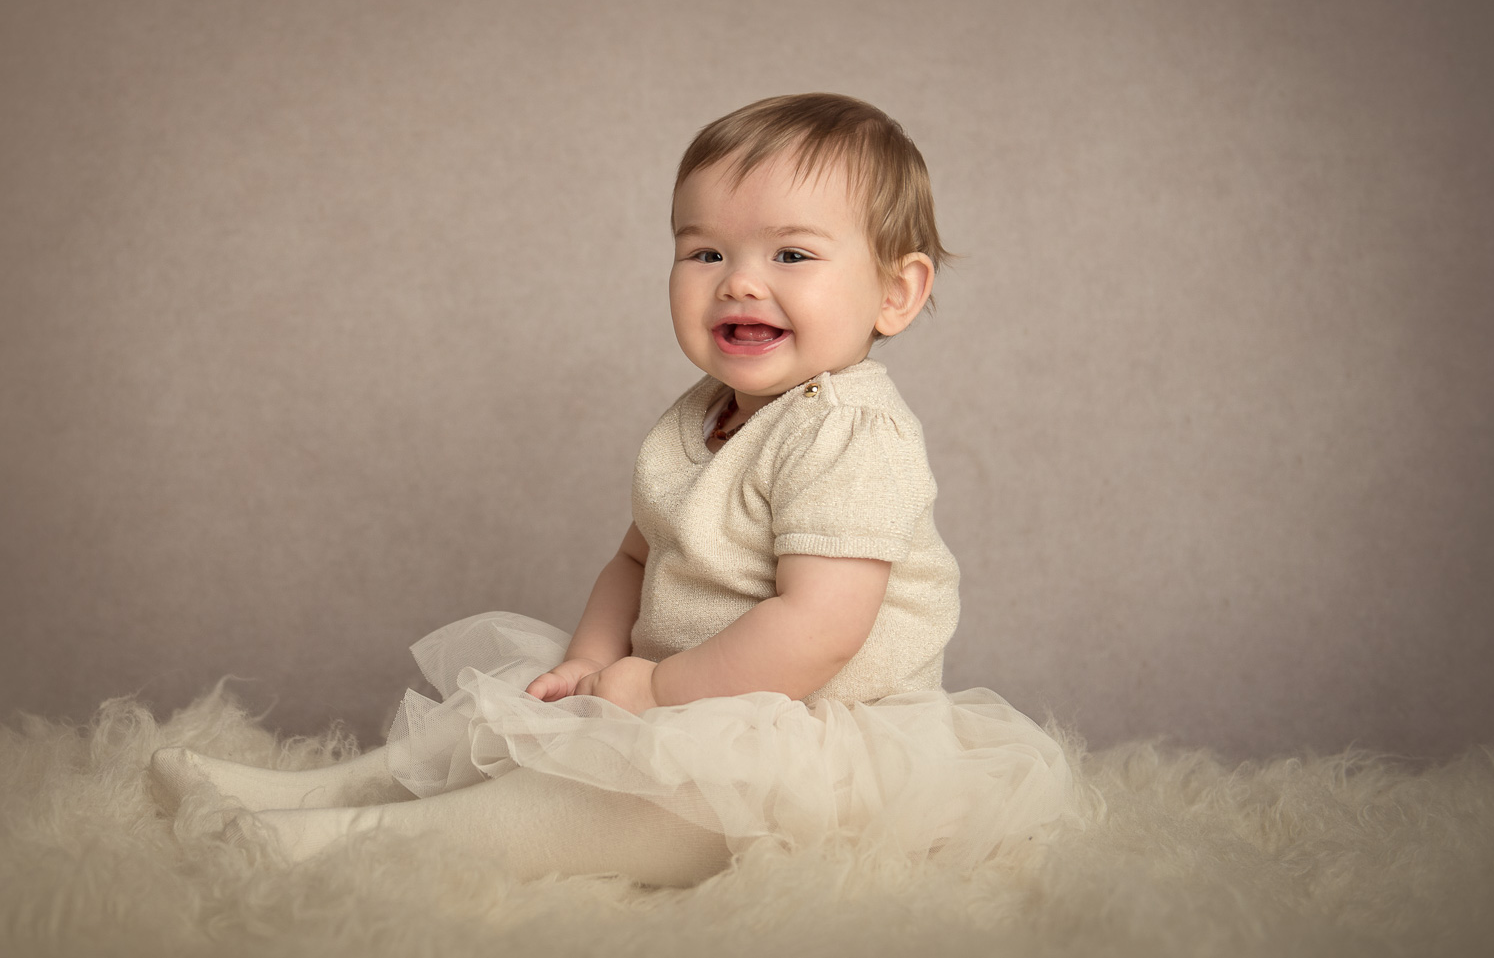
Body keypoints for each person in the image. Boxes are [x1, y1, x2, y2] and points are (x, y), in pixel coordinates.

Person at [151, 93, 1075, 887]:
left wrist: (659, 690)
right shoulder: (699, 416)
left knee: (636, 808)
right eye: (705, 252)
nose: (740, 281)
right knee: (514, 707)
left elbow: (820, 626)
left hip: (811, 736)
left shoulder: (850, 430)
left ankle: (344, 840)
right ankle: (321, 789)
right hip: (672, 695)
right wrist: (592, 669)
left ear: (895, 293)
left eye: (791, 255)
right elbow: (639, 556)